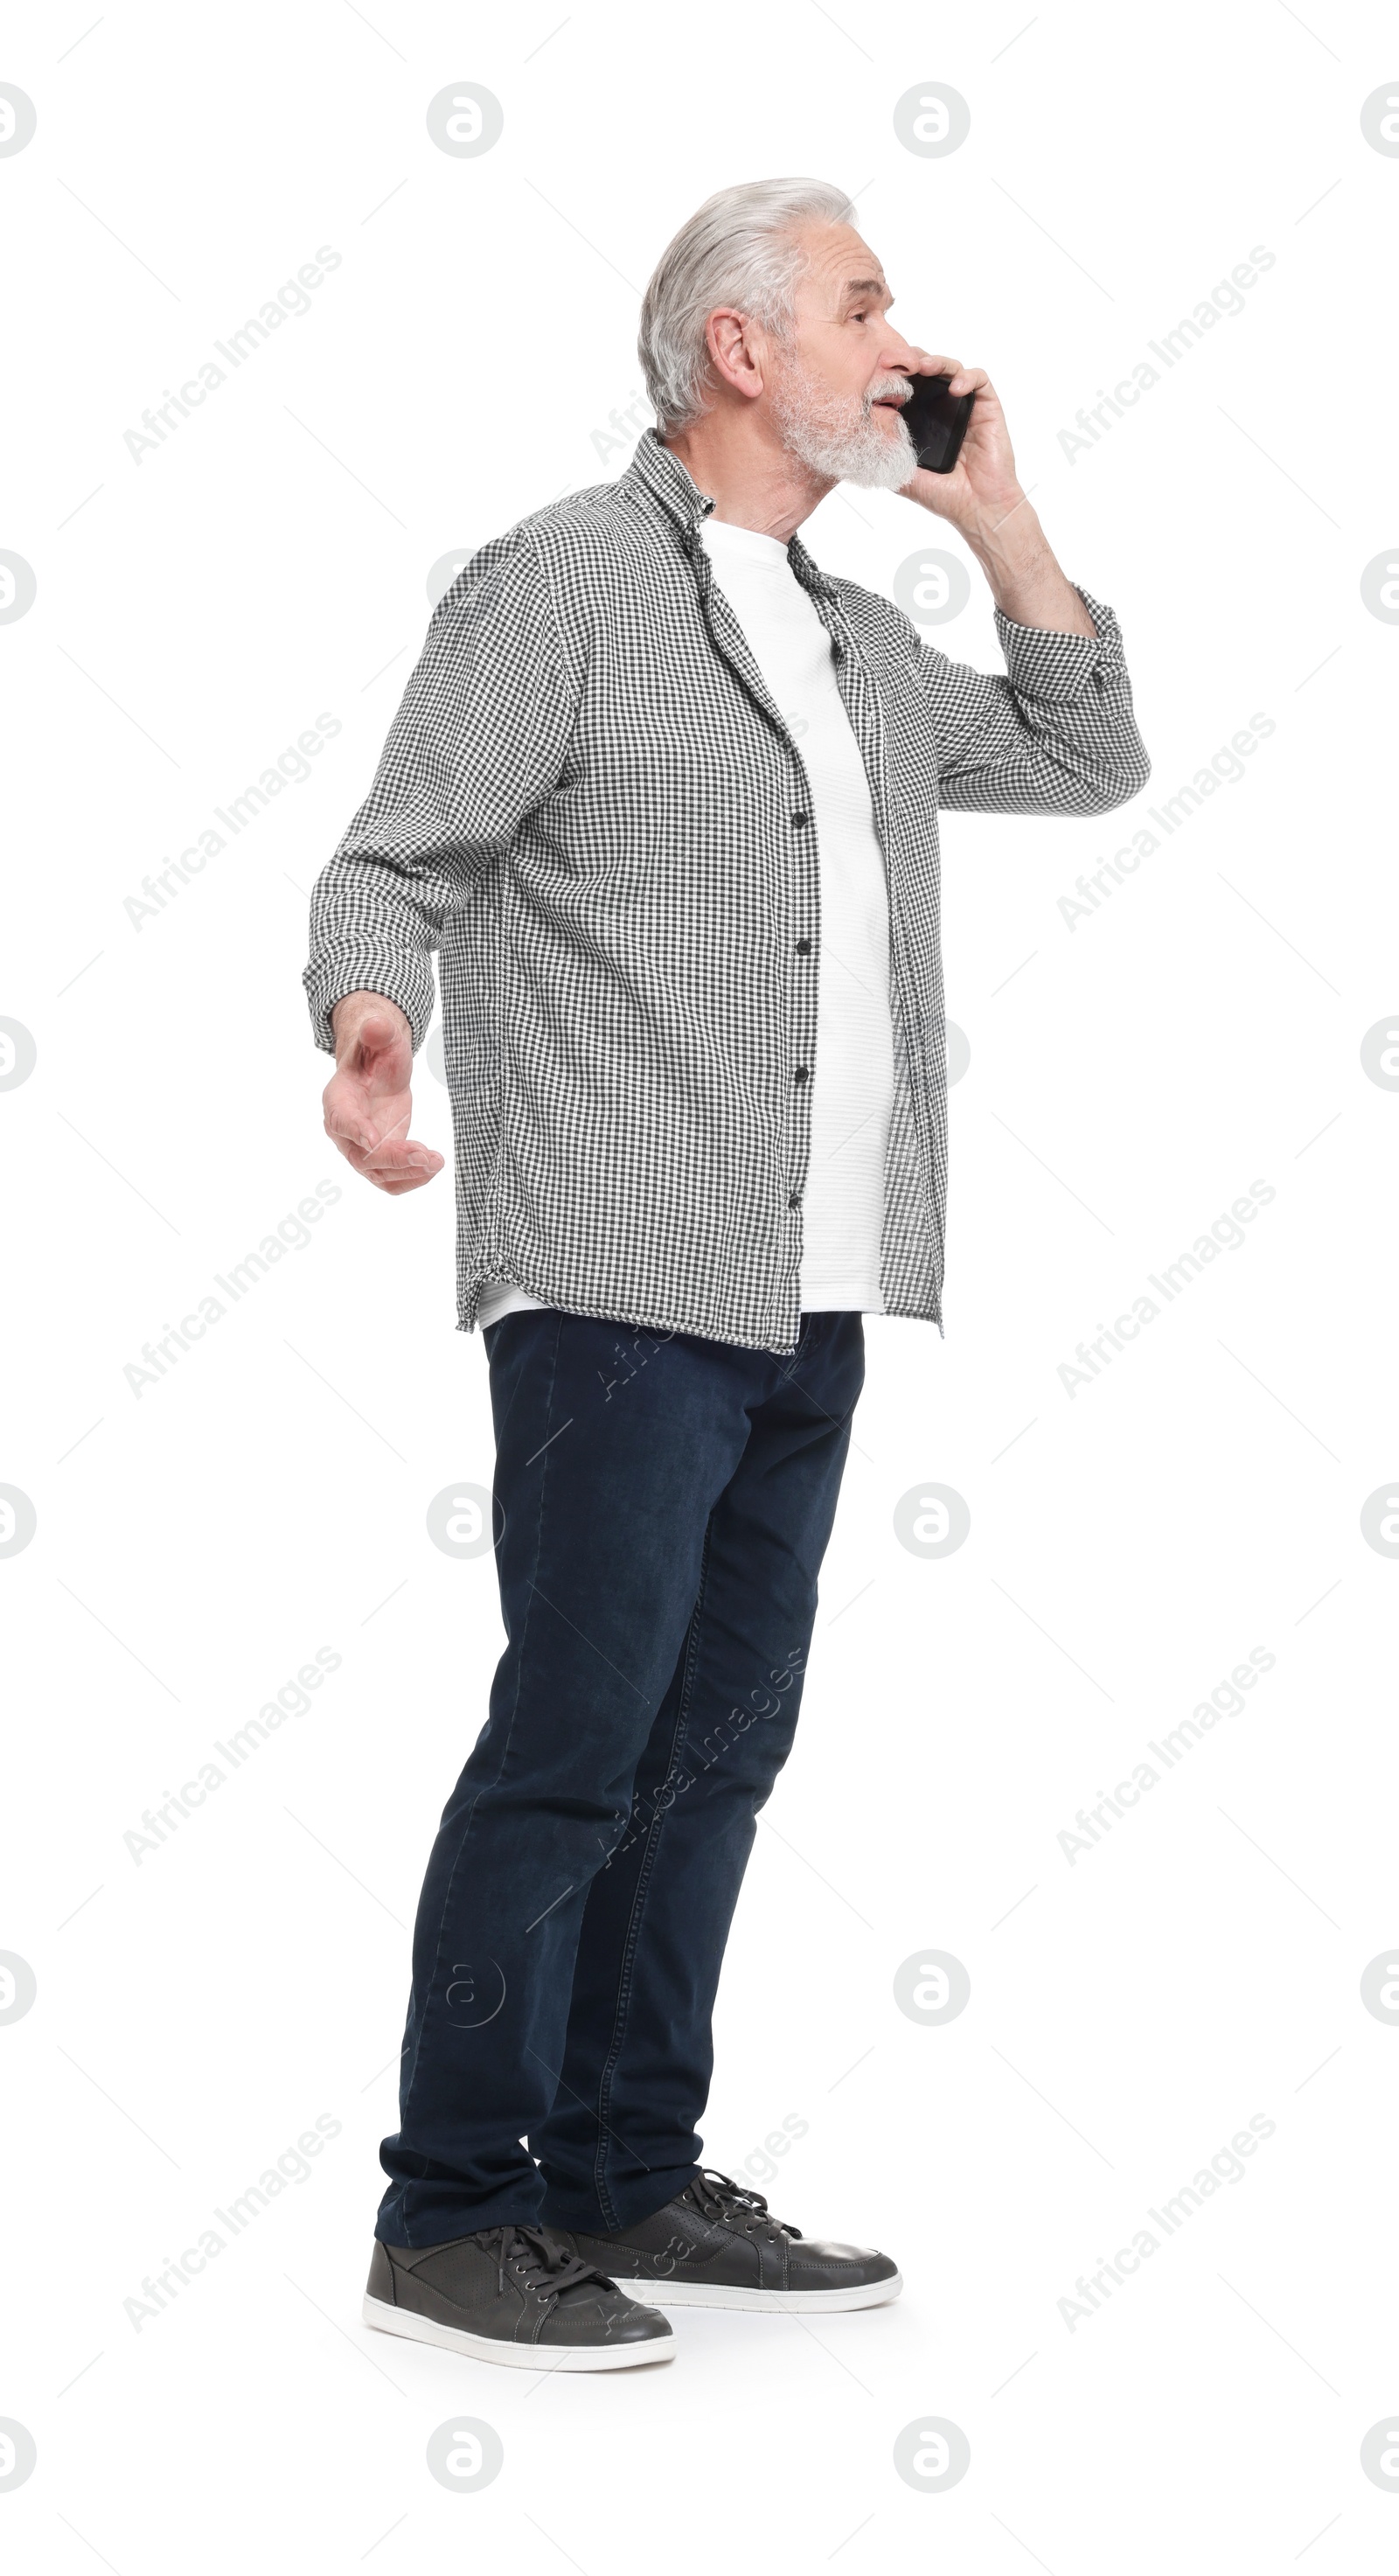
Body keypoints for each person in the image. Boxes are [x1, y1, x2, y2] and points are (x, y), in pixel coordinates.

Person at [303, 175, 1151, 2373]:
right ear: (735, 349)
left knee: (714, 1751)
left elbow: (1085, 749)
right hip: (613, 1269)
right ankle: (450, 2214)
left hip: (814, 1282)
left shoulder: (858, 639)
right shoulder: (559, 585)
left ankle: (619, 2170)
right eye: (862, 306)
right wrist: (369, 1025)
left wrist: (994, 516)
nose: (901, 341)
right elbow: (399, 853)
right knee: (575, 1745)